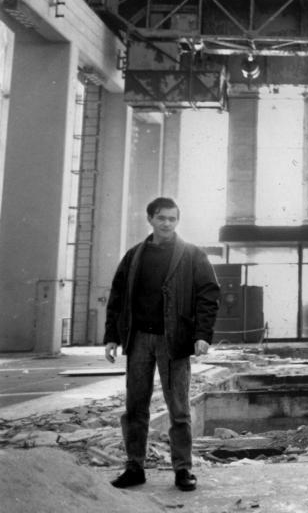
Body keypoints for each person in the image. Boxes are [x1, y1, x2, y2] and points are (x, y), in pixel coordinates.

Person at [103, 197, 220, 492]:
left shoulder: (192, 255)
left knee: (178, 409)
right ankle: (135, 466)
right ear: (150, 219)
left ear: (178, 221)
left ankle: (183, 469)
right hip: (139, 338)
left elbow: (209, 295)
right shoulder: (134, 256)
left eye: (172, 218)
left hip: (175, 340)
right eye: (161, 218)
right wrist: (112, 336)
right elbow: (117, 297)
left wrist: (202, 334)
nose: (167, 223)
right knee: (135, 407)